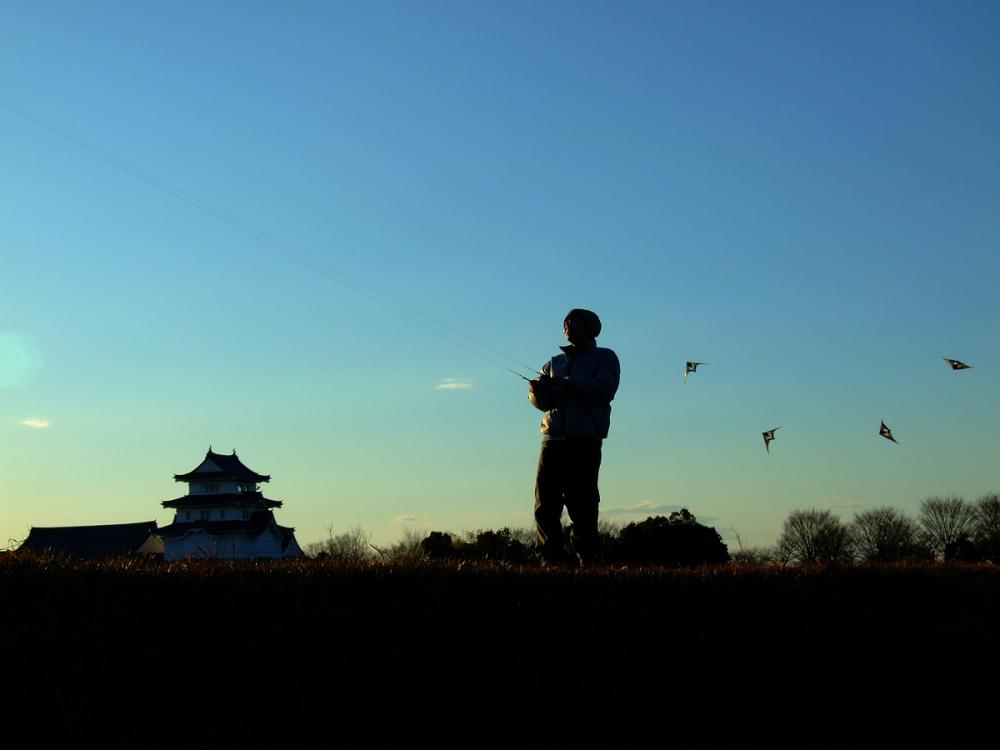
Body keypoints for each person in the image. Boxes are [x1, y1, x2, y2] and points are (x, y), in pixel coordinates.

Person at [528, 309, 620, 566]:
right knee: (545, 503)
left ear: (590, 328)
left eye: (574, 321)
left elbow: (606, 388)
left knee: (583, 502)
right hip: (552, 440)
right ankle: (550, 560)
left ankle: (586, 558)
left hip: (585, 441)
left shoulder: (605, 357)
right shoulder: (553, 362)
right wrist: (536, 393)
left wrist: (568, 383)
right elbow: (543, 403)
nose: (568, 324)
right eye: (566, 322)